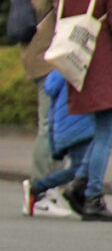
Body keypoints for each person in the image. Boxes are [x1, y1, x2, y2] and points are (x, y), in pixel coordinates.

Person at [8, 0, 86, 214]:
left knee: (48, 123)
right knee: (52, 125)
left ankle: (49, 191)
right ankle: (43, 192)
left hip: (33, 52)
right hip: (57, 54)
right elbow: (68, 9)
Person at [56, 0, 112, 221]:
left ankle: (79, 183)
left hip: (80, 65)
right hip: (105, 67)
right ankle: (92, 195)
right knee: (106, 135)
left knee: (102, 131)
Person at [22, 70, 90, 217]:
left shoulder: (60, 72)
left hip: (70, 124)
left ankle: (81, 198)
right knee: (79, 167)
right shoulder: (77, 69)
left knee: (84, 166)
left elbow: (51, 87)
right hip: (78, 124)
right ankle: (38, 188)